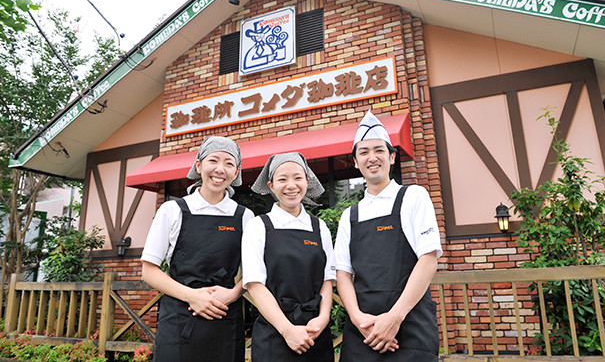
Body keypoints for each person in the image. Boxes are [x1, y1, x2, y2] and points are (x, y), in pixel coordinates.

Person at [334, 110, 443, 361]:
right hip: (363, 332)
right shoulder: (349, 216)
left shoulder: (414, 196)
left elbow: (428, 260)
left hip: (410, 326)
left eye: (379, 150)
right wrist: (359, 319)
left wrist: (394, 318)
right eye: (363, 152)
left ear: (392, 157)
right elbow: (343, 274)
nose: (372, 158)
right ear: (355, 162)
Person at [141, 136, 254, 362]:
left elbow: (253, 272)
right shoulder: (172, 210)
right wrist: (192, 296)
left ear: (237, 172)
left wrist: (232, 294)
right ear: (199, 165)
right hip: (179, 317)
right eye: (213, 160)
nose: (220, 169)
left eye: (229, 163)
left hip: (225, 316)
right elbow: (149, 270)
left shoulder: (245, 217)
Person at [242, 152, 335, 362]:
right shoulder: (258, 226)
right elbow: (255, 284)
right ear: (271, 186)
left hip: (315, 332)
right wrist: (287, 330)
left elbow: (327, 280)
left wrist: (323, 318)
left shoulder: (319, 227)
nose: (291, 185)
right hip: (275, 332)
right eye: (282, 179)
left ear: (307, 182)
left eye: (297, 178)